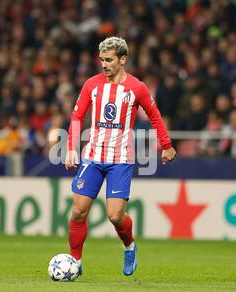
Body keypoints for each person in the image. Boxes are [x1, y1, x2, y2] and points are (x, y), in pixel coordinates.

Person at [65, 37, 177, 277]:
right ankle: (75, 262)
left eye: (109, 60)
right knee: (78, 211)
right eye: (101, 60)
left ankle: (129, 246)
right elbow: (77, 117)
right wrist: (72, 147)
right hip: (92, 157)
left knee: (115, 216)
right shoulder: (91, 85)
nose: (104, 64)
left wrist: (166, 145)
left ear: (122, 59)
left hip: (121, 159)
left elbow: (155, 117)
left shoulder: (137, 88)